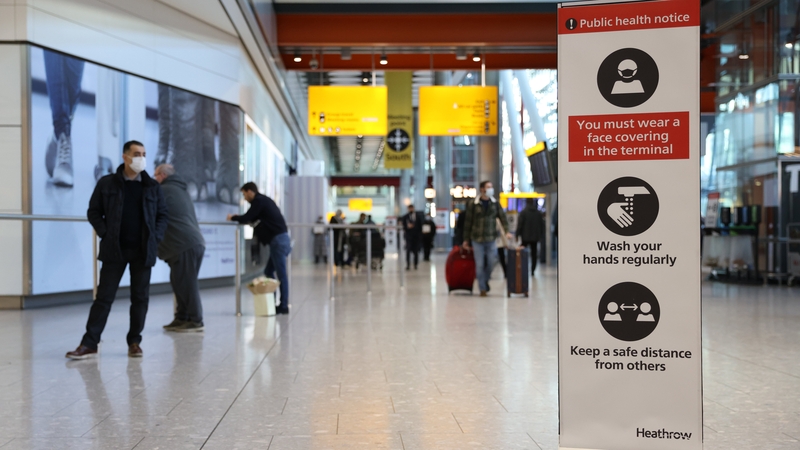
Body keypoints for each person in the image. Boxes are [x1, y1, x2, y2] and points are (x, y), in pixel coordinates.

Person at [66, 140, 168, 359]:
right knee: (104, 298)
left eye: (143, 153)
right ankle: (89, 343)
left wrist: (156, 237)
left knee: (140, 299)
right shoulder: (107, 184)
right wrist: (106, 233)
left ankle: (134, 341)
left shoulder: (152, 186)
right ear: (125, 157)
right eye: (136, 153)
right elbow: (93, 212)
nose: (141, 157)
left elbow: (162, 215)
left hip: (142, 251)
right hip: (115, 250)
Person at [154, 164, 206, 332]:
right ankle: (182, 317)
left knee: (187, 283)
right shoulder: (180, 190)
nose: (155, 179)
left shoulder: (165, 190)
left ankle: (196, 320)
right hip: (191, 243)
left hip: (183, 244)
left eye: (155, 176)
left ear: (162, 175)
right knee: (179, 282)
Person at [227, 183, 291, 315]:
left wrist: (232, 217)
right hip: (279, 240)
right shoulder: (263, 201)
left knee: (281, 274)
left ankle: (284, 305)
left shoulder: (259, 201)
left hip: (278, 241)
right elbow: (253, 218)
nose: (244, 198)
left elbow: (247, 217)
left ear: (250, 192)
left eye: (244, 194)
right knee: (269, 270)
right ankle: (272, 302)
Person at [462, 181, 511, 297]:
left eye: (491, 187)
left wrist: (507, 231)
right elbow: (468, 223)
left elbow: (503, 218)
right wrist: (466, 240)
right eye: (489, 187)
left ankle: (485, 280)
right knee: (479, 265)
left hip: (491, 238)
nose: (491, 189)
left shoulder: (495, 204)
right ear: (482, 189)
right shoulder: (473, 204)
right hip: (477, 239)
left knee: (491, 262)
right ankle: (482, 289)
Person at [516, 198, 544, 276]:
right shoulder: (538, 213)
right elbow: (542, 225)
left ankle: (522, 267)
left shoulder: (523, 212)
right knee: (534, 254)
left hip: (525, 236)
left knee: (522, 253)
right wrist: (541, 235)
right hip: (535, 237)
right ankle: (532, 270)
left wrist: (517, 235)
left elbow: (520, 225)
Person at [401, 204, 423, 270]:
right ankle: (408, 264)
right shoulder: (405, 217)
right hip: (409, 236)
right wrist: (408, 227)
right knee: (408, 250)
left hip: (416, 237)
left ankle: (415, 264)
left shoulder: (418, 217)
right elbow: (404, 226)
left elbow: (420, 226)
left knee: (416, 251)